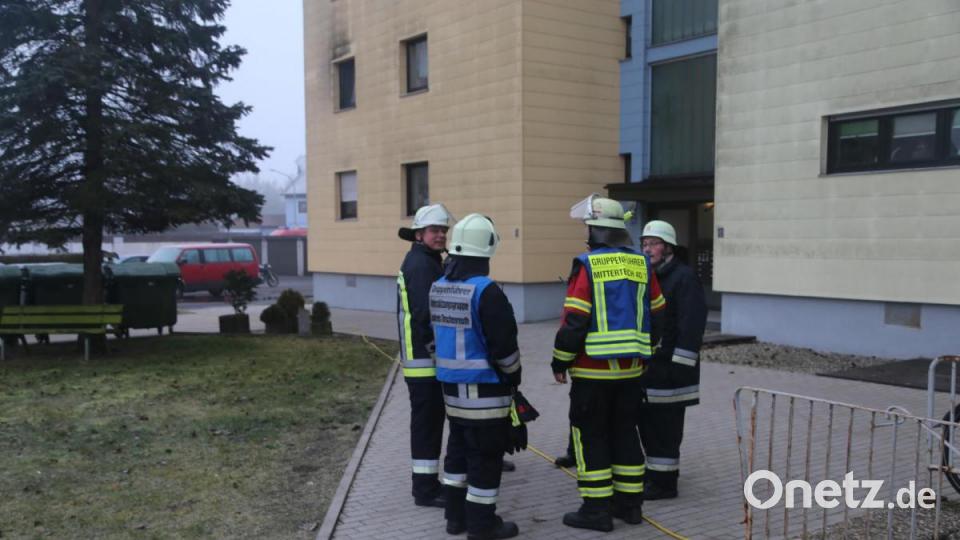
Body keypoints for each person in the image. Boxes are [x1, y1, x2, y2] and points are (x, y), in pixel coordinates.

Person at [552, 195, 666, 532]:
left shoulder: (587, 265)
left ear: (595, 230)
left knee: (591, 438)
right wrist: (647, 351)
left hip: (592, 373)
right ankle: (630, 506)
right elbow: (659, 314)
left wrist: (560, 360)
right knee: (625, 435)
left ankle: (595, 510)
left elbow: (575, 320)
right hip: (631, 373)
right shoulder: (642, 264)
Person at [432, 214, 522, 540]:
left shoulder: (438, 287)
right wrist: (514, 378)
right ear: (486, 251)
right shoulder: (487, 291)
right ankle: (483, 526)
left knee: (457, 456)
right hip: (485, 394)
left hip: (452, 394)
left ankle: (455, 519)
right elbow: (505, 348)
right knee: (485, 461)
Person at [637, 220, 707, 500]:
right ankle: (655, 475)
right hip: (652, 369)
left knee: (665, 430)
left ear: (668, 247)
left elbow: (691, 325)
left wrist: (678, 366)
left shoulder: (683, 277)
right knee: (649, 427)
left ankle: (665, 485)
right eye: (644, 244)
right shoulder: (648, 276)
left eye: (653, 244)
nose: (647, 249)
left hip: (672, 373)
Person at [396, 203, 454, 508]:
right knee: (427, 427)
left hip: (424, 360)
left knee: (429, 425)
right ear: (419, 234)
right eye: (434, 230)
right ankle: (425, 489)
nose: (441, 235)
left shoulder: (428, 260)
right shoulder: (421, 265)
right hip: (424, 361)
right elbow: (424, 314)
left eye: (443, 230)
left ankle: (427, 484)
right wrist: (437, 350)